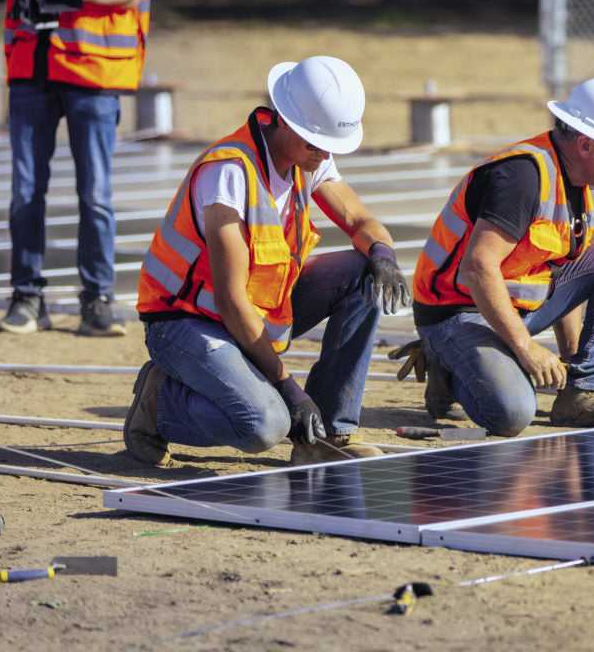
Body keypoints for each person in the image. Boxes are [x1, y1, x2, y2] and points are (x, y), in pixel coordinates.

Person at [124, 56, 411, 467]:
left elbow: (359, 220)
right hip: (184, 322)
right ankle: (159, 403)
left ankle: (328, 434)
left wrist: (383, 255)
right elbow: (229, 299)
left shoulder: (309, 156)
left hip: (251, 311)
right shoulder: (229, 173)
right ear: (285, 122)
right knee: (264, 424)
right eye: (315, 142)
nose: (323, 153)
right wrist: (289, 389)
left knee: (360, 270)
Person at [407, 76, 594, 436]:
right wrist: (525, 348)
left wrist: (573, 375)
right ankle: (446, 366)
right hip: (456, 313)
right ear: (585, 145)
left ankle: (588, 391)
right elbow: (478, 267)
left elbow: (561, 269)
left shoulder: (591, 190)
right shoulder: (521, 177)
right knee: (511, 413)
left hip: (510, 308)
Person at [0, 0, 156, 336]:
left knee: (95, 194)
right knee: (25, 192)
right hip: (31, 70)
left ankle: (96, 302)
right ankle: (26, 298)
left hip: (94, 74)